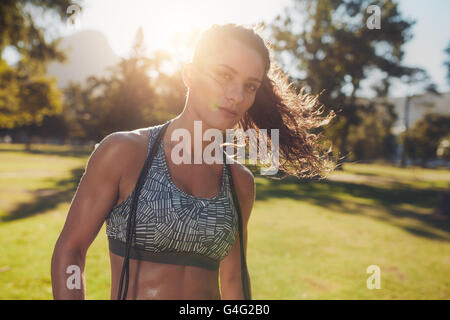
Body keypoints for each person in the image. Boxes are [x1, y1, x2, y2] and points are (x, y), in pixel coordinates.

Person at [51, 23, 336, 300]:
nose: (236, 95)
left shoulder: (240, 183)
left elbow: (234, 280)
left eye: (250, 86)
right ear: (189, 74)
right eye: (224, 75)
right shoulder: (124, 153)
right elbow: (70, 251)